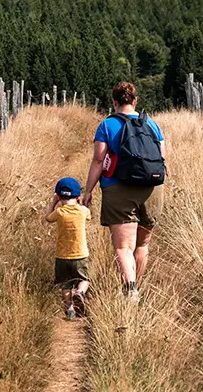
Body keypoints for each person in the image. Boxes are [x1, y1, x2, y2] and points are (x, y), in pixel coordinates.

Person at [83, 82, 165, 302]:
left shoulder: (107, 125)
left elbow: (99, 160)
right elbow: (162, 158)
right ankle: (137, 286)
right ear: (135, 100)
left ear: (114, 102)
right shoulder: (152, 125)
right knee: (142, 244)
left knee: (123, 246)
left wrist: (88, 191)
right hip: (152, 188)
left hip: (118, 188)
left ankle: (131, 290)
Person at [43, 177, 91, 320]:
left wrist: (53, 202)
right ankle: (80, 292)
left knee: (65, 285)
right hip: (80, 255)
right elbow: (89, 214)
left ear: (59, 196)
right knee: (84, 279)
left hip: (62, 256)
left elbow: (47, 218)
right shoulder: (82, 211)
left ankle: (69, 311)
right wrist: (83, 202)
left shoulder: (59, 212)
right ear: (77, 196)